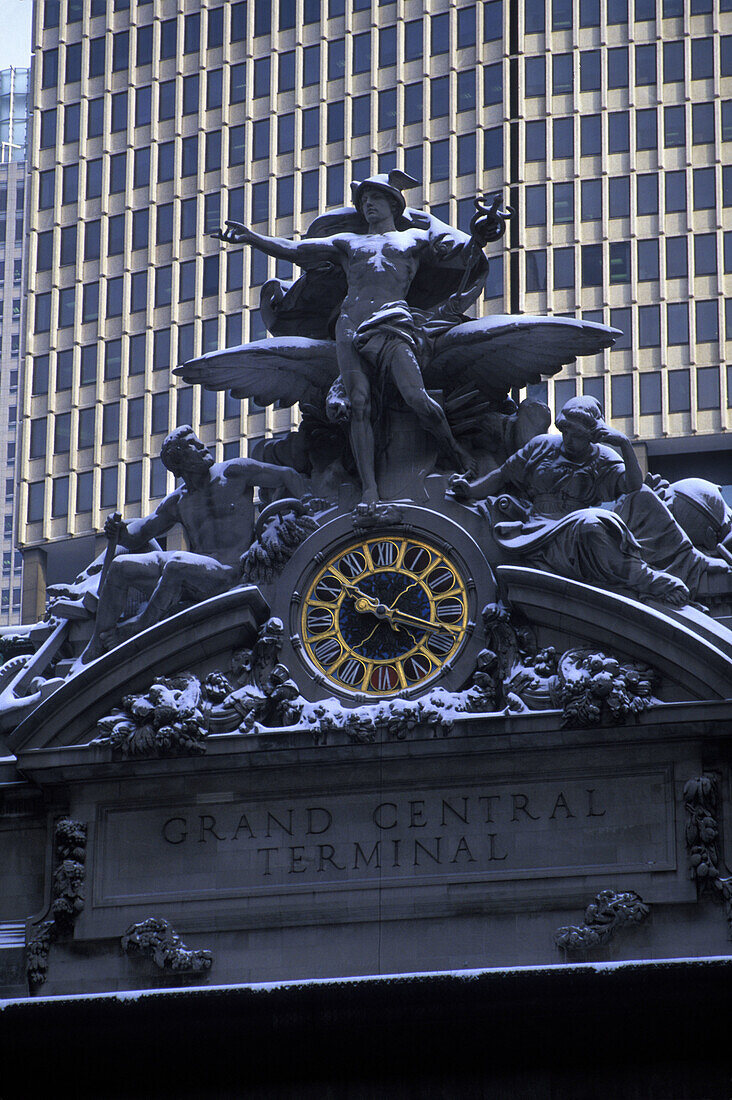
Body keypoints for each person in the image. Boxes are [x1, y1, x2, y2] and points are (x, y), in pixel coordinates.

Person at [214, 172, 490, 503]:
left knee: (418, 399)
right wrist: (252, 238)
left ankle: (458, 455)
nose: (368, 205)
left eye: (375, 199)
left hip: (392, 323)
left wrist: (484, 232)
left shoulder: (415, 239)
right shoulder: (348, 243)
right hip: (350, 326)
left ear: (393, 203)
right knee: (358, 404)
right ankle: (370, 489)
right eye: (363, 201)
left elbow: (465, 256)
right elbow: (297, 251)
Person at [449, 396, 730, 605]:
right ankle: (644, 577)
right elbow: (501, 476)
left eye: (579, 435)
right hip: (540, 531)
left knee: (642, 498)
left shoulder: (603, 457)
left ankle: (693, 564)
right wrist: (470, 490)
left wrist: (623, 445)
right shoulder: (542, 446)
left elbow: (633, 486)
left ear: (594, 434)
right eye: (567, 431)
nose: (570, 439)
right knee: (594, 523)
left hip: (577, 523)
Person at [80, 426, 303, 663]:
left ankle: (138, 628)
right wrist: (119, 530)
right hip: (196, 574)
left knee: (176, 565)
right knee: (120, 565)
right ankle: (97, 642)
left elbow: (288, 475)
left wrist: (304, 507)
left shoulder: (236, 471)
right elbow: (139, 533)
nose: (204, 447)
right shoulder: (178, 501)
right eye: (194, 446)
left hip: (230, 572)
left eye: (199, 443)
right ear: (180, 461)